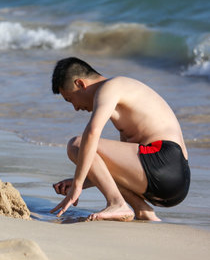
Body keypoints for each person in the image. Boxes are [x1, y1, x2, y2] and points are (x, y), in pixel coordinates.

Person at [50, 57, 190, 221]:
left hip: (165, 160)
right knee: (91, 153)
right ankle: (143, 210)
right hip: (175, 180)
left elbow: (92, 132)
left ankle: (117, 203)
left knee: (77, 144)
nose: (75, 108)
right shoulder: (122, 105)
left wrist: (77, 186)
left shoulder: (111, 87)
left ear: (80, 84)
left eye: (70, 99)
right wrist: (80, 180)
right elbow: (114, 168)